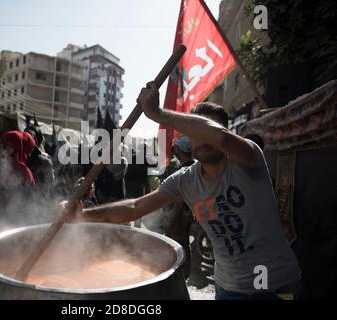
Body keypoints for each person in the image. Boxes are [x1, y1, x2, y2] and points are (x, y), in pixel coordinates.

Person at [58, 82, 302, 300]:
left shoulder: (248, 159)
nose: (201, 140)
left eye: (205, 132)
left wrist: (159, 114)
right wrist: (82, 215)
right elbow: (134, 207)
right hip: (229, 289)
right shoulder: (186, 179)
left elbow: (221, 138)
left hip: (274, 284)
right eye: (193, 135)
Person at [162, 135, 195, 279]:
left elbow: (179, 199)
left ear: (179, 151)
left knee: (177, 246)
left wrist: (172, 217)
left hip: (181, 216)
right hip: (190, 214)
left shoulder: (184, 172)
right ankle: (184, 273)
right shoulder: (196, 168)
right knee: (184, 245)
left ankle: (180, 275)